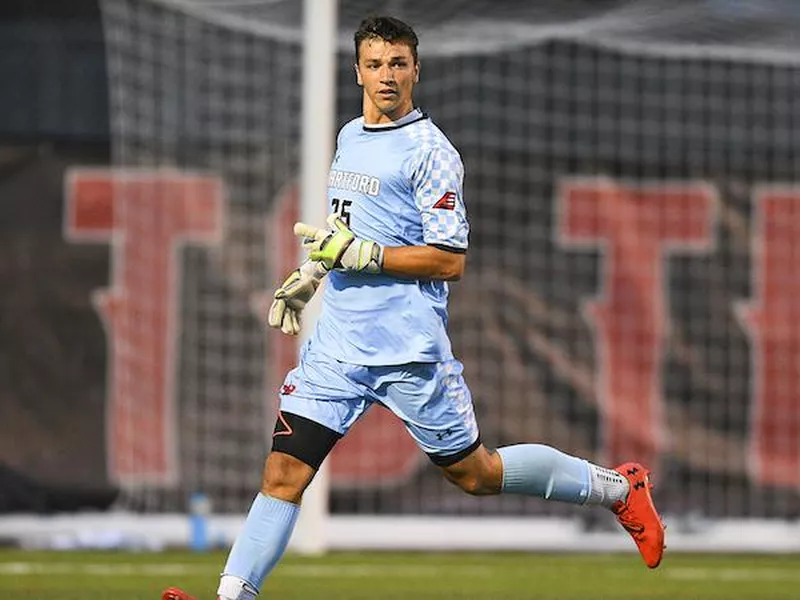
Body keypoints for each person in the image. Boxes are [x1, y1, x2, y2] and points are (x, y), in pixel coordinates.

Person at [162, 15, 665, 600]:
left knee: (476, 474)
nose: (386, 76)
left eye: (398, 64)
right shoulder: (349, 137)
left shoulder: (432, 152)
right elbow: (346, 232)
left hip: (407, 351)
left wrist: (365, 254)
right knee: (283, 473)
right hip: (336, 351)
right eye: (374, 64)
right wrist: (311, 273)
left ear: (416, 71)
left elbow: (450, 260)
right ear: (357, 71)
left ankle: (616, 489)